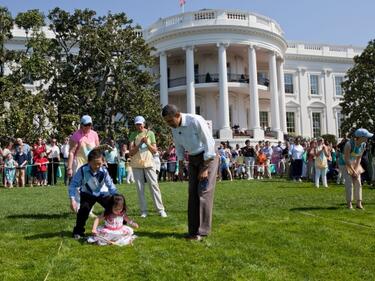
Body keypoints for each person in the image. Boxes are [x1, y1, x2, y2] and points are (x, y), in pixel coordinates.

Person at [162, 104, 219, 241]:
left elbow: (209, 143)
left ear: (178, 115)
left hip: (208, 157)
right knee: (192, 193)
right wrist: (180, 167)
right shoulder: (174, 128)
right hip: (192, 159)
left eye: (170, 121)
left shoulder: (196, 120)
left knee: (203, 193)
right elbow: (179, 147)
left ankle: (202, 231)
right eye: (167, 122)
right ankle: (192, 231)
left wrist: (205, 168)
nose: (169, 124)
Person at [69, 146, 118, 239]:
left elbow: (110, 185)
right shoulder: (82, 170)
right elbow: (73, 185)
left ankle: (120, 226)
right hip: (87, 194)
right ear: (89, 162)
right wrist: (72, 200)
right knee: (83, 210)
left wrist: (117, 198)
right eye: (95, 164)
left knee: (115, 208)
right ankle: (78, 232)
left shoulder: (104, 171)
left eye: (100, 163)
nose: (98, 166)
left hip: (102, 193)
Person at [128, 116, 167, 218]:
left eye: (140, 124)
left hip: (149, 163)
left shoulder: (150, 134)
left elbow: (154, 150)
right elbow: (131, 152)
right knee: (140, 188)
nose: (138, 126)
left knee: (154, 186)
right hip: (136, 164)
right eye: (137, 124)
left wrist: (147, 143)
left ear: (144, 124)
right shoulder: (133, 135)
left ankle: (160, 210)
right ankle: (143, 210)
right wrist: (140, 143)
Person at [67, 115, 99, 214]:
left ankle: (89, 210)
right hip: (79, 163)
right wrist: (69, 168)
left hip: (92, 164)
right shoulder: (75, 136)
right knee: (78, 188)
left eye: (89, 125)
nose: (88, 127)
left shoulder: (94, 134)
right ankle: (79, 209)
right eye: (86, 125)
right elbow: (71, 152)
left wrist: (101, 162)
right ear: (81, 125)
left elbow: (97, 150)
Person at [342, 128, 373, 209]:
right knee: (349, 183)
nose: (367, 138)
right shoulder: (348, 144)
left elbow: (359, 158)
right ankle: (349, 204)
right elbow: (346, 159)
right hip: (345, 164)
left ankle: (359, 203)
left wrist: (355, 170)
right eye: (366, 137)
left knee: (358, 182)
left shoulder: (363, 145)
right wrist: (352, 171)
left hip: (355, 163)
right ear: (361, 137)